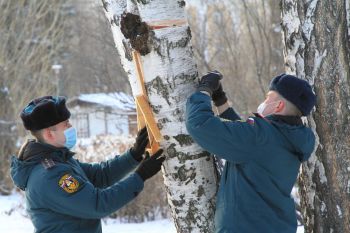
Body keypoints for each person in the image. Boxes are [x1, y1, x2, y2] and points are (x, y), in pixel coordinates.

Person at [10, 95, 165, 233]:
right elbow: (98, 204)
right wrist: (140, 175)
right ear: (50, 134)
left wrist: (133, 155)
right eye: (66, 124)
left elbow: (99, 175)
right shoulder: (51, 175)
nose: (71, 128)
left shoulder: (59, 160)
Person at [185, 72, 316, 233]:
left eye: (269, 97)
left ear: (278, 106)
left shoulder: (260, 136)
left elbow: (199, 124)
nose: (264, 101)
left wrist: (203, 90)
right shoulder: (291, 139)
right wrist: (221, 101)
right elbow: (245, 142)